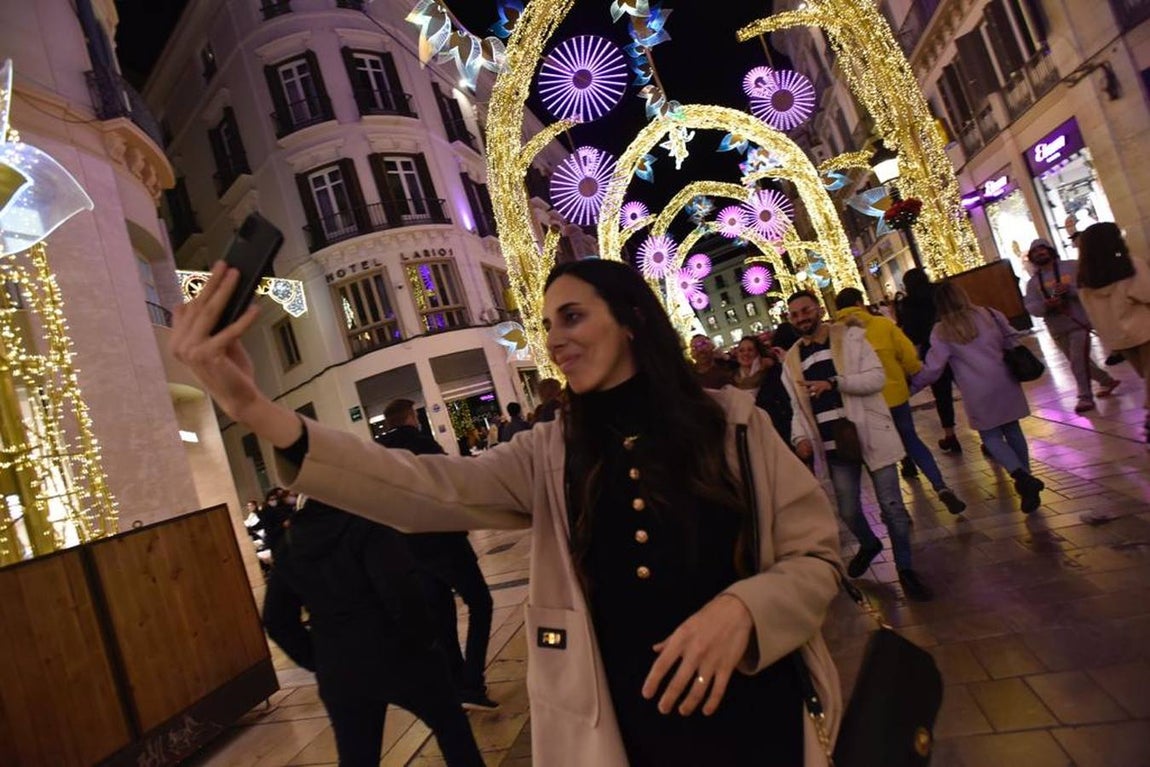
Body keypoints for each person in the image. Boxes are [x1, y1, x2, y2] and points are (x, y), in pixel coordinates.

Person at [172, 258, 844, 767]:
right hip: (627, 735)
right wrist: (257, 412)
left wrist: (746, 609)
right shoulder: (548, 456)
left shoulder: (733, 427)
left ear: (632, 318)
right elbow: (423, 486)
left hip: (762, 721)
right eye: (547, 324)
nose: (554, 338)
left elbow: (817, 558)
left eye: (573, 316)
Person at [262, 496, 485, 767]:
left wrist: (320, 659)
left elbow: (276, 619)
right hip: (400, 655)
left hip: (340, 669)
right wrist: (425, 642)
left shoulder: (290, 543)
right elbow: (402, 593)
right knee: (454, 735)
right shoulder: (367, 523)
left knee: (358, 758)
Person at [781, 290, 933, 602]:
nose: (801, 318)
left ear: (819, 309)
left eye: (805, 310)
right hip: (835, 447)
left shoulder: (850, 337)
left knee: (892, 507)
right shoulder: (792, 359)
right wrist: (800, 439)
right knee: (848, 511)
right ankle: (869, 543)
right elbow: (797, 406)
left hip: (870, 435)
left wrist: (836, 383)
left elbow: (876, 378)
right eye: (794, 314)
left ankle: (905, 569)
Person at [378, 398, 498, 711]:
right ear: (410, 418)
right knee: (481, 603)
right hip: (444, 540)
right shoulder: (422, 443)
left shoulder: (379, 454)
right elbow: (450, 482)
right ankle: (472, 680)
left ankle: (458, 683)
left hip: (410, 547)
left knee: (441, 616)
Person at [910, 282, 1045, 513]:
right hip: (1005, 381)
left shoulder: (941, 331)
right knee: (1013, 431)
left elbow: (933, 369)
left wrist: (912, 386)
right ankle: (1027, 479)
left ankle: (1021, 477)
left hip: (977, 390)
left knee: (991, 437)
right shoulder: (989, 314)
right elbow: (1011, 339)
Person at [834, 288, 966, 515]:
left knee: (880, 455)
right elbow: (908, 356)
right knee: (911, 440)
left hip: (866, 402)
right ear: (860, 302)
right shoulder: (883, 325)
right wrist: (912, 374)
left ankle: (895, 508)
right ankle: (941, 486)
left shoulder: (836, 335)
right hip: (895, 396)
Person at [1023, 238, 1119, 413]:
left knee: (1077, 361)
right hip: (1056, 328)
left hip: (1079, 322)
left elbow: (1089, 289)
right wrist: (1046, 305)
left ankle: (1085, 397)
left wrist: (1071, 291)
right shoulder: (1033, 283)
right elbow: (1031, 306)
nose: (1039, 253)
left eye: (1042, 249)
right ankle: (1106, 381)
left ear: (1050, 251)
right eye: (1035, 252)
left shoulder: (1072, 267)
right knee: (1079, 361)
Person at [1076, 222, 1150, 443]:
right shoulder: (1130, 266)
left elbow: (1091, 312)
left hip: (1118, 339)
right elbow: (1147, 293)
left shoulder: (1084, 279)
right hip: (1145, 330)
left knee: (1147, 376)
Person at [897, 268, 961, 454]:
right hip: (957, 345)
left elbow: (911, 334)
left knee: (942, 396)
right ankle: (986, 432)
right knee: (969, 388)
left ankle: (950, 435)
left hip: (932, 351)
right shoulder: (941, 291)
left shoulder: (909, 303)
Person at [732, 336, 792, 443]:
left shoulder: (773, 373)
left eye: (750, 350)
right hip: (750, 437)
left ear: (758, 352)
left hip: (777, 433)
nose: (745, 353)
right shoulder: (733, 381)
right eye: (741, 350)